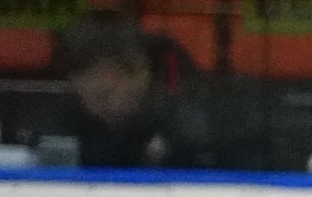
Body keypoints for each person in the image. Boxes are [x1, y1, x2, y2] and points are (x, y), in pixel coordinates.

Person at [36, 13, 199, 169]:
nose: (97, 104)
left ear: (141, 74)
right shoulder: (62, 123)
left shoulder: (184, 124)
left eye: (106, 93)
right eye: (86, 95)